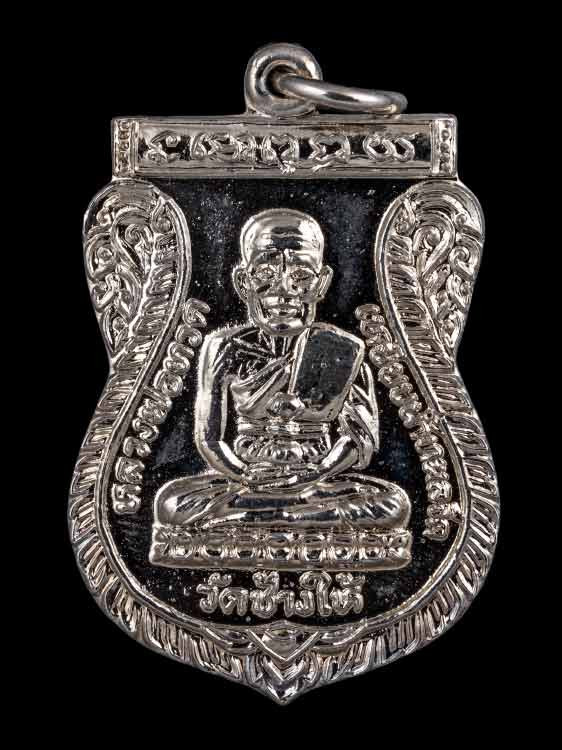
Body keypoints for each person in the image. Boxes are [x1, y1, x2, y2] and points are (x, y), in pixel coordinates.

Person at [152, 208, 410, 539]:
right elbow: (210, 439)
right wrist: (245, 474)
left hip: (316, 479)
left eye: (301, 275)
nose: (284, 289)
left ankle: (257, 520)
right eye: (265, 274)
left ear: (321, 283)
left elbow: (358, 438)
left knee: (392, 504)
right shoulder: (225, 347)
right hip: (248, 478)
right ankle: (291, 518)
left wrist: (317, 472)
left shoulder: (342, 349)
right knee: (172, 503)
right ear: (243, 282)